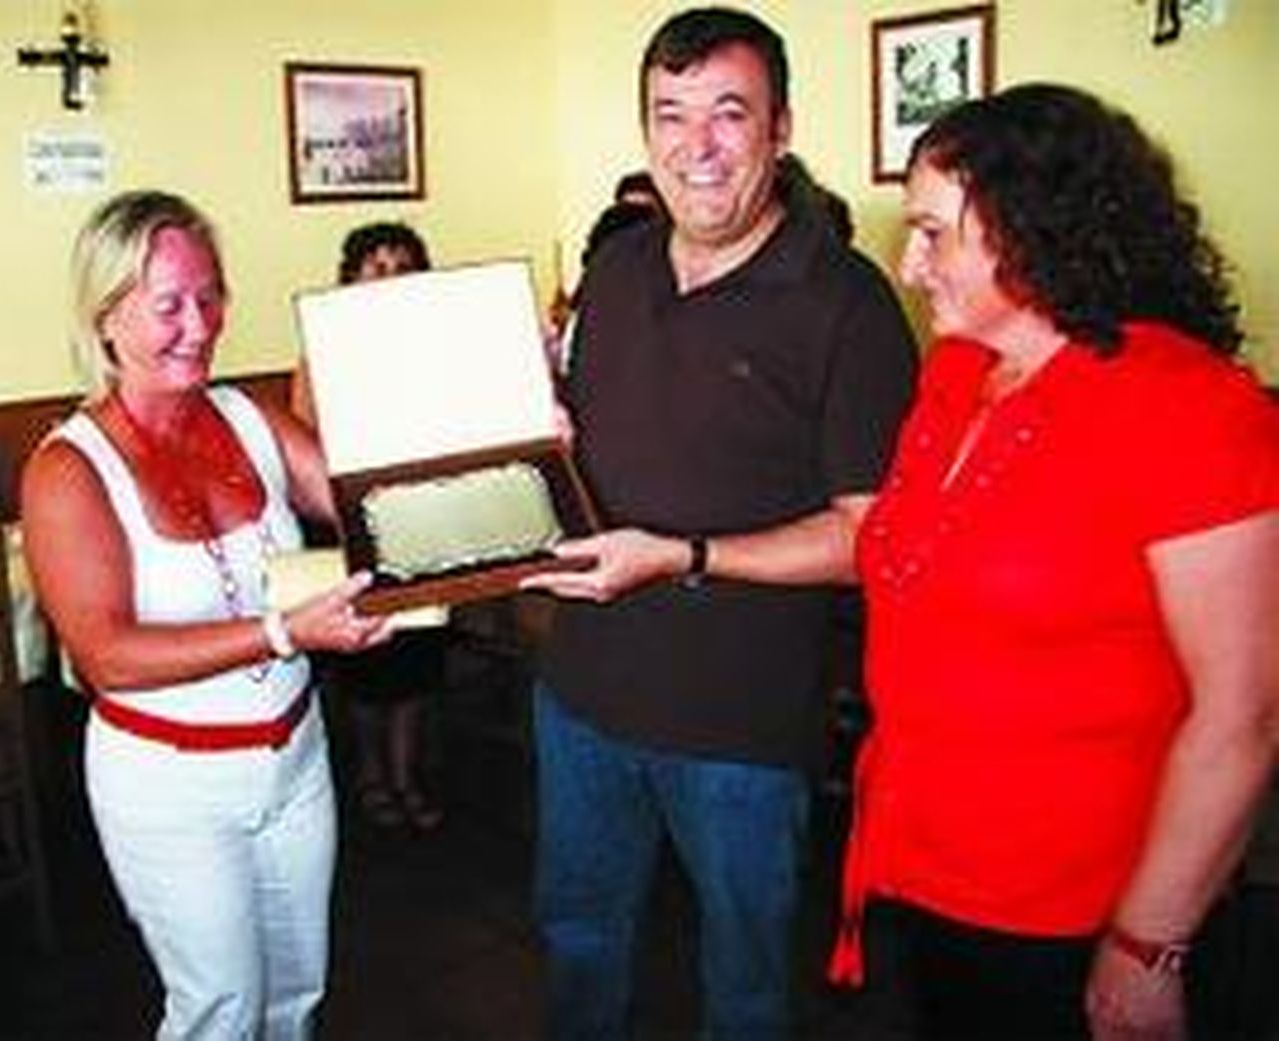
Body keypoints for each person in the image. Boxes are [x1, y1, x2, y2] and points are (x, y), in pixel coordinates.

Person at [828, 83, 1279, 1041]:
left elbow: (1245, 714)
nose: (909, 266)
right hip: (927, 865)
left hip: (1082, 906)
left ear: (1034, 229)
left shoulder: (1192, 410)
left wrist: (1146, 945)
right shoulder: (953, 377)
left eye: (932, 234)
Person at [521, 8, 918, 1040]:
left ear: (780, 128)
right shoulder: (615, 269)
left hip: (737, 727)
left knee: (742, 983)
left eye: (727, 114)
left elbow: (866, 537)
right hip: (582, 694)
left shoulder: (849, 305)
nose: (694, 147)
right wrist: (532, 431)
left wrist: (681, 558)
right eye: (669, 114)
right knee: (577, 940)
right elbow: (588, 441)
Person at [21, 189, 390, 1041]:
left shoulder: (245, 415)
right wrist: (281, 631)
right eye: (169, 305)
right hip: (172, 788)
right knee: (217, 1009)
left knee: (296, 995)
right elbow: (105, 654)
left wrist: (517, 429)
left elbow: (368, 491)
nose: (201, 323)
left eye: (212, 294)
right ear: (105, 316)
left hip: (296, 758)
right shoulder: (69, 471)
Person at [290, 221, 447, 832]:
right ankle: (371, 778)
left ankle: (405, 776)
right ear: (350, 278)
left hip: (422, 521)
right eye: (375, 267)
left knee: (417, 662)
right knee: (366, 664)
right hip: (350, 522)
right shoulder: (320, 352)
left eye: (402, 267)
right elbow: (309, 447)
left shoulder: (434, 351)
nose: (388, 278)